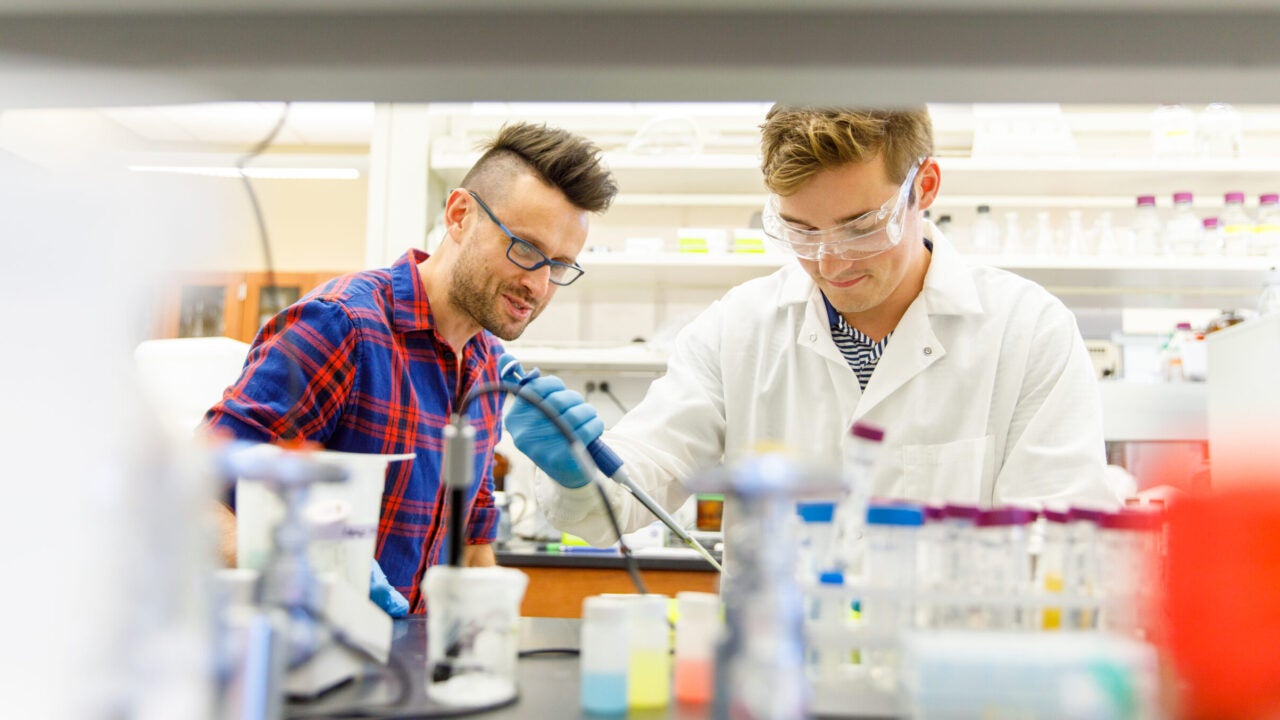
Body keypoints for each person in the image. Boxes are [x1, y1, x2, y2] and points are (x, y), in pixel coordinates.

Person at [507, 106, 1117, 559]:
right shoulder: (738, 328)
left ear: (924, 187)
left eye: (860, 227)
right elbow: (640, 475)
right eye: (801, 231)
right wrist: (578, 470)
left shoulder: (1028, 331)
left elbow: (1061, 540)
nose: (830, 262)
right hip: (777, 679)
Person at [203, 122, 617, 614]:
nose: (540, 285)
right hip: (307, 657)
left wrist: (493, 637)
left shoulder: (487, 365)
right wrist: (299, 572)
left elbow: (471, 541)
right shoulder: (342, 326)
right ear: (460, 215)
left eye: (560, 265)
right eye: (525, 249)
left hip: (410, 670)